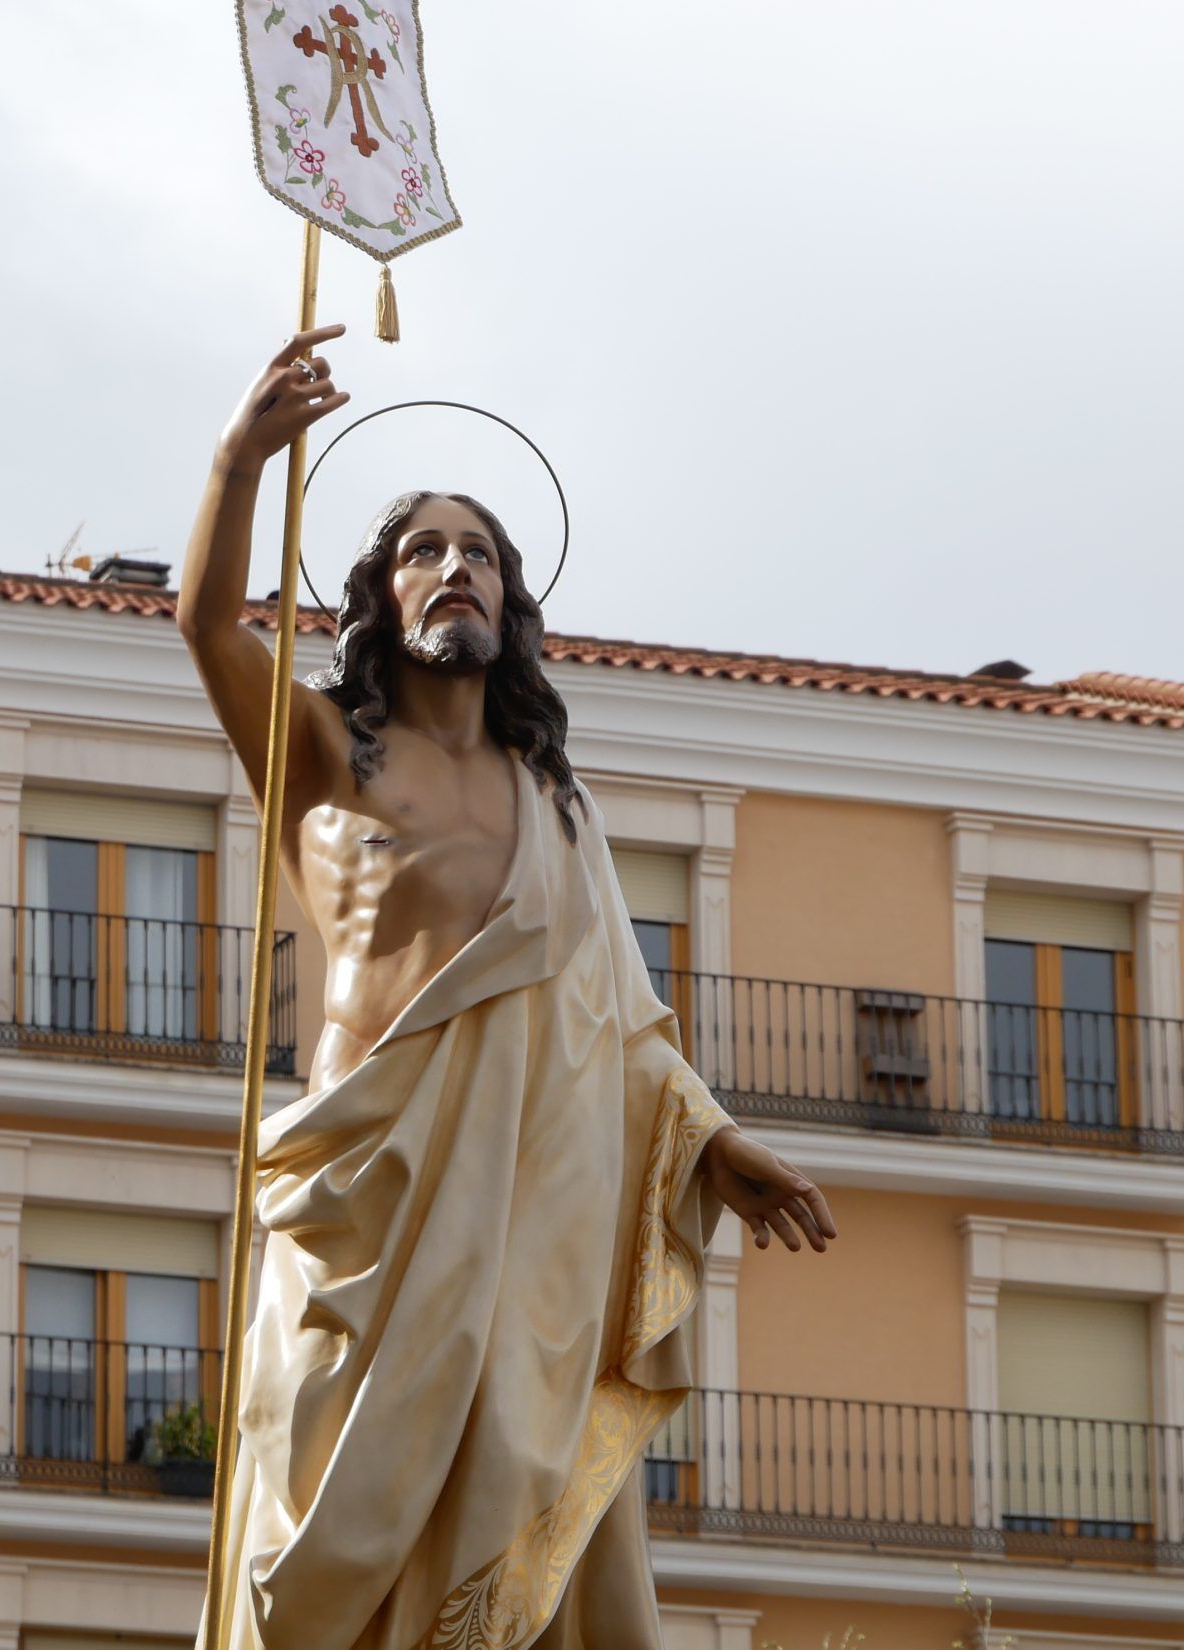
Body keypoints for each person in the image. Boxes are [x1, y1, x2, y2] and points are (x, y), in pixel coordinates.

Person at [179, 325, 838, 1649]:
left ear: (513, 603)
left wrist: (712, 1142)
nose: (454, 567)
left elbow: (619, 1032)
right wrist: (240, 459)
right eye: (423, 548)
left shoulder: (560, 809)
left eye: (477, 550)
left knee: (517, 1540)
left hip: (525, 1239)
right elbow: (203, 620)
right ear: (381, 597)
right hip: (369, 1216)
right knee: (312, 1559)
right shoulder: (323, 755)